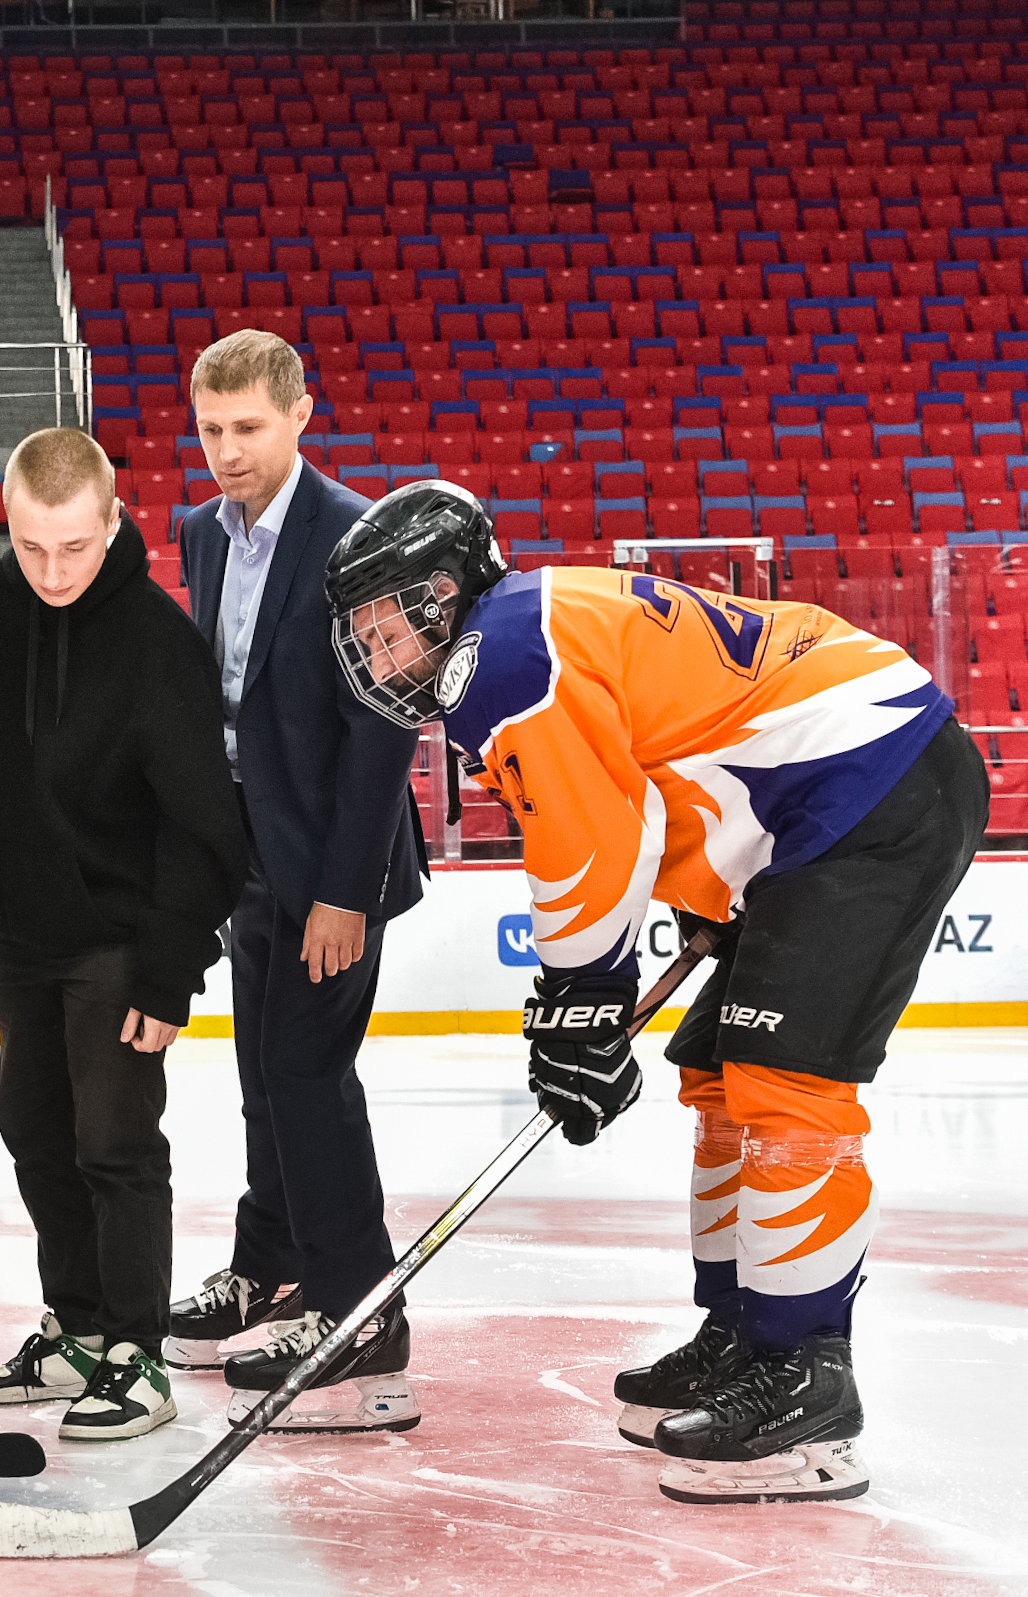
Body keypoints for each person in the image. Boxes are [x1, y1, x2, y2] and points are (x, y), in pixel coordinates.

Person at [325, 479, 989, 1505]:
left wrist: (581, 1001)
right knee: (719, 1078)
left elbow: (592, 836)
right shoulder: (527, 624)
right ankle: (743, 1335)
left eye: (382, 625)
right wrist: (692, 912)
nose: (375, 655)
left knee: (784, 1081)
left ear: (440, 592)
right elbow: (658, 770)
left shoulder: (503, 653)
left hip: (871, 782)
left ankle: (805, 1375)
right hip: (812, 802)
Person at [0, 426, 248, 1443]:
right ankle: (74, 1330)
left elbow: (203, 825)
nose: (51, 571)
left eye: (73, 547)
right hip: (23, 932)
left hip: (123, 939)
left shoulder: (158, 640)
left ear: (114, 520)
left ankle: (135, 1351)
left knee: (114, 1146)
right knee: (34, 1136)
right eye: (31, 546)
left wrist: (170, 971)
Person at [172, 329, 430, 1434]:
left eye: (247, 428)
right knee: (261, 1075)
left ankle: (358, 1306)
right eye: (210, 430)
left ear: (298, 416)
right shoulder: (201, 533)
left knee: (306, 1073)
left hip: (333, 863)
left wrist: (344, 892)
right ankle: (268, 1265)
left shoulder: (359, 538)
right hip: (248, 855)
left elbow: (384, 730)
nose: (227, 451)